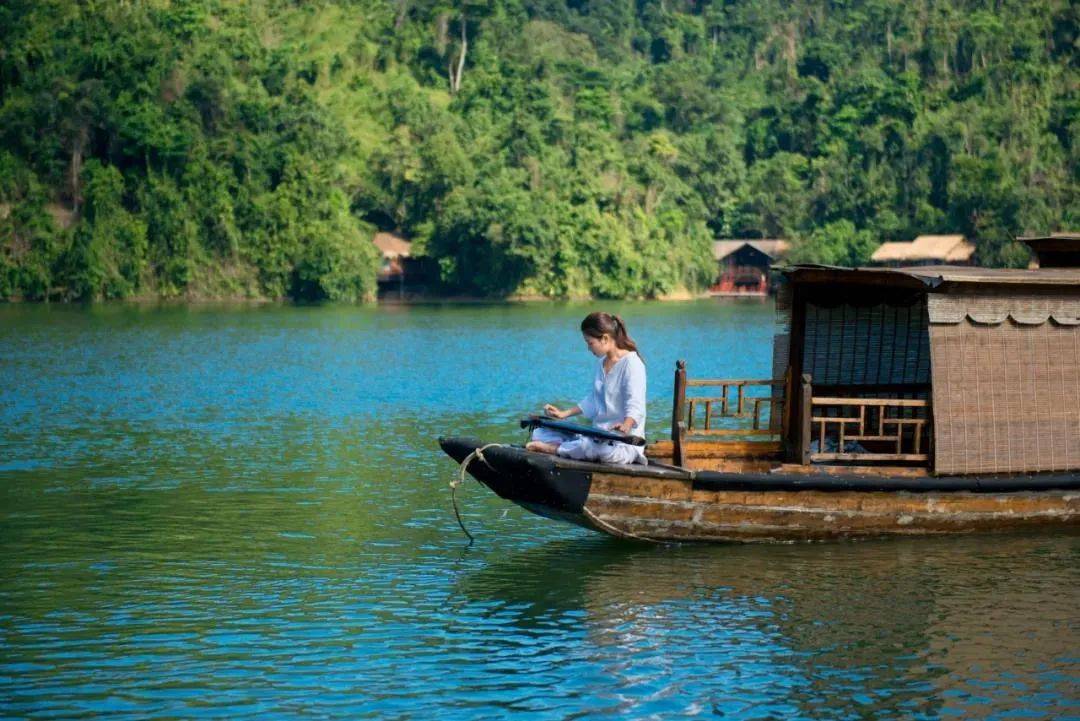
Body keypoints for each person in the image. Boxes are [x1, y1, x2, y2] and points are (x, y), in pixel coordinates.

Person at [525, 312, 647, 465]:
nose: (588, 348)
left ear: (605, 338)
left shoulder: (632, 364)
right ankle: (568, 447)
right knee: (541, 432)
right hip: (598, 436)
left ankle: (554, 449)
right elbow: (594, 400)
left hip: (623, 444)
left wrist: (626, 424)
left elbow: (635, 404)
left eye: (590, 343)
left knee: (590, 448)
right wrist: (564, 414)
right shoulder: (602, 363)